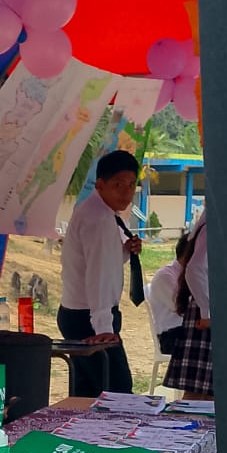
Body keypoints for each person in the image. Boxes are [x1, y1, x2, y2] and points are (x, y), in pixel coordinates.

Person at [57, 149, 144, 396]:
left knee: (88, 393)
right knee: (117, 391)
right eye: (118, 185)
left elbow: (100, 262)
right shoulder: (99, 219)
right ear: (100, 185)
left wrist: (124, 251)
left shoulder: (98, 212)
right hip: (91, 317)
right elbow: (98, 276)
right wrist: (103, 326)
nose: (126, 192)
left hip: (81, 314)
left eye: (131, 185)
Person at [164, 208, 213, 399]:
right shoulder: (214, 226)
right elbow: (195, 269)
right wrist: (207, 312)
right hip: (207, 311)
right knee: (200, 395)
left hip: (207, 308)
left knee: (205, 393)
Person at [145, 230, 193, 358]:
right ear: (188, 253)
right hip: (173, 334)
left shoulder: (195, 275)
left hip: (189, 329)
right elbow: (183, 308)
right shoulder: (165, 276)